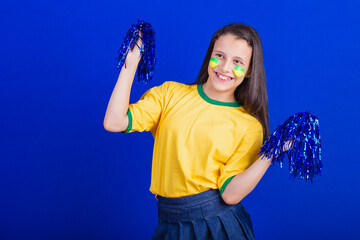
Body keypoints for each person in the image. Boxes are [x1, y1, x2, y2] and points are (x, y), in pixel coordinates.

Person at [104, 24, 273, 240]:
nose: (224, 67)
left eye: (237, 62)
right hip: (168, 221)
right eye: (219, 55)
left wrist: (271, 154)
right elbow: (114, 121)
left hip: (218, 226)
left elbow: (230, 194)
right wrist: (132, 60)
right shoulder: (170, 94)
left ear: (249, 70)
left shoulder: (249, 126)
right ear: (210, 55)